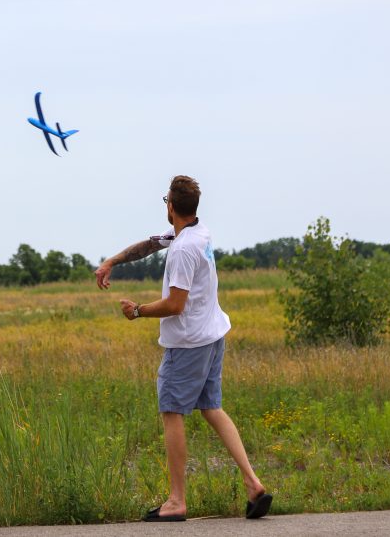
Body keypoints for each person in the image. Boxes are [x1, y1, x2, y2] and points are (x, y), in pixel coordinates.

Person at [95, 175, 272, 521]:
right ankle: (253, 485)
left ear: (171, 207)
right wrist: (111, 261)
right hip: (212, 335)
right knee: (211, 408)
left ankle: (176, 501)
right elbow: (149, 244)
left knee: (172, 412)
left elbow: (175, 305)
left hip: (189, 344)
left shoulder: (183, 250)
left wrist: (138, 311)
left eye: (166, 201)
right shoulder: (197, 233)